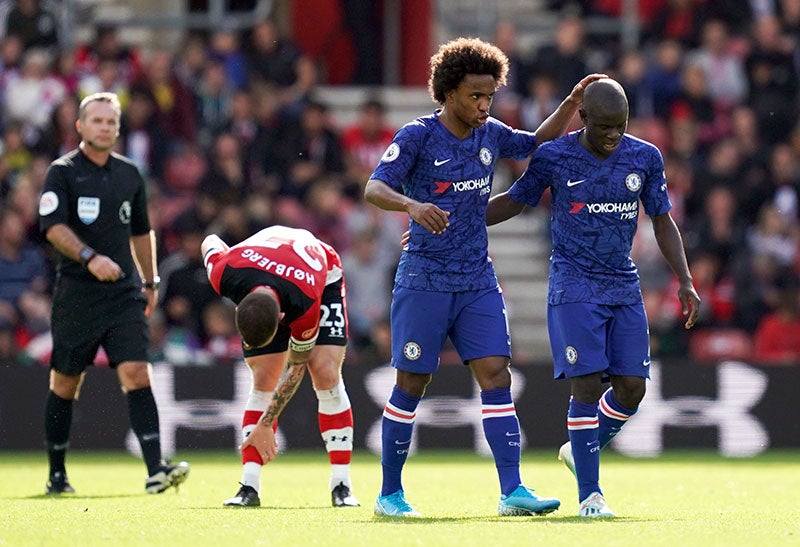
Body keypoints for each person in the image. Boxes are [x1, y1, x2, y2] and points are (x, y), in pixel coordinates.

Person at [363, 35, 605, 517]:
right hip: (424, 279)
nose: (483, 104)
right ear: (448, 92)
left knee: (496, 374)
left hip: (476, 279)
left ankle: (512, 490)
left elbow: (536, 141)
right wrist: (412, 204)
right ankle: (390, 493)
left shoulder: (491, 132)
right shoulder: (416, 137)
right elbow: (374, 187)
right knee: (412, 381)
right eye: (475, 95)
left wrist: (573, 104)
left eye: (489, 96)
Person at [485, 78, 701, 517]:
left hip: (622, 283)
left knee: (633, 389)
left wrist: (685, 278)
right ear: (583, 118)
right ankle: (591, 495)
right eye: (604, 127)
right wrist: (458, 219)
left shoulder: (645, 157)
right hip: (574, 282)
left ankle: (578, 447)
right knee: (586, 384)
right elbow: (516, 200)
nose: (613, 135)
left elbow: (662, 221)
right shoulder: (554, 155)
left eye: (620, 126)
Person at [37, 92, 189, 494]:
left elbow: (141, 231)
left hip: (122, 293)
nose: (105, 127)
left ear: (119, 128)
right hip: (77, 293)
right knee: (65, 383)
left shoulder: (129, 174)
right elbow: (52, 227)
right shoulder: (63, 172)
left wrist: (151, 280)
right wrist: (89, 257)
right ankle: (57, 473)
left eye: (111, 121)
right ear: (81, 127)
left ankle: (156, 470)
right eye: (97, 120)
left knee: (138, 373)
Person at [201, 225, 360, 508]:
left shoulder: (304, 303)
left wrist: (265, 424)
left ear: (283, 319)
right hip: (264, 266)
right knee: (263, 375)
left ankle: (342, 484)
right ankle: (248, 485)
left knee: (324, 372)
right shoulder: (223, 272)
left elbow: (296, 367)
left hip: (320, 276)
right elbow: (210, 240)